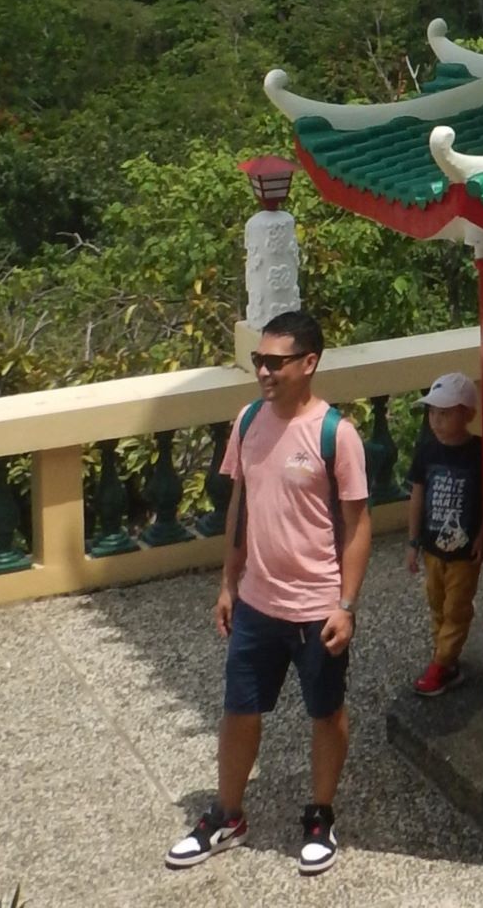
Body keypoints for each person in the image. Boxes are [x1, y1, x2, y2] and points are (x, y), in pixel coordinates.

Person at [168, 310, 370, 877]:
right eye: (259, 360)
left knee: (325, 713)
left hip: (316, 608)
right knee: (238, 710)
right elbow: (241, 506)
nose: (263, 370)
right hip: (258, 601)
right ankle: (227, 814)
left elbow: (357, 526)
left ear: (309, 363)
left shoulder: (337, 435)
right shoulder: (249, 420)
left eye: (275, 361)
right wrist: (228, 582)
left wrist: (346, 605)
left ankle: (320, 815)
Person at [403, 369, 483, 695]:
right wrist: (412, 542)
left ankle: (440, 663)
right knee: (436, 604)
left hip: (465, 551)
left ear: (468, 414)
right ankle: (445, 662)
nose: (436, 421)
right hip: (433, 547)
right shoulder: (427, 450)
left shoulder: (480, 451)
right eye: (433, 412)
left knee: (457, 607)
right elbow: (417, 496)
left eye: (446, 413)